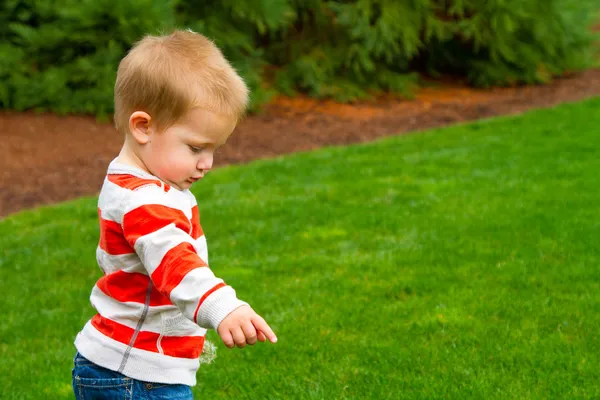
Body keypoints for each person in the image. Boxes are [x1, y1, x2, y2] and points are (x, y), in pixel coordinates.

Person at [72, 29, 277, 399]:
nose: (208, 163)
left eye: (215, 149)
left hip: (121, 364)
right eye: (196, 147)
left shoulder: (135, 178)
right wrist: (222, 307)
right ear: (143, 127)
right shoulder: (143, 202)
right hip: (136, 373)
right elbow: (174, 262)